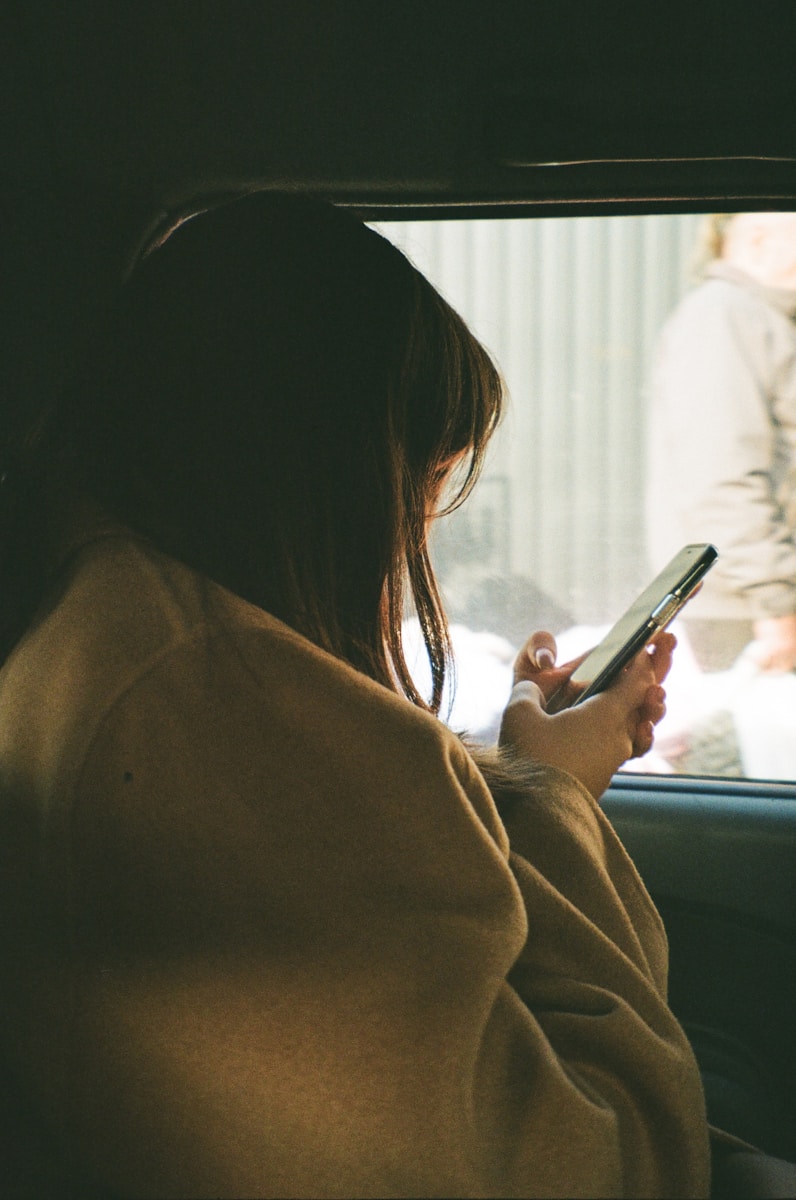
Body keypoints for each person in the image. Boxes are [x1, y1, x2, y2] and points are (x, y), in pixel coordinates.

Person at [0, 191, 708, 1197]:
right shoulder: (209, 703)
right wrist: (549, 799)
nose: (413, 539)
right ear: (328, 479)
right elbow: (603, 1166)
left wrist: (524, 768)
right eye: (420, 493)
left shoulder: (109, 628)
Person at [646, 211, 796, 676]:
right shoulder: (728, 315)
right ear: (758, 239)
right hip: (751, 610)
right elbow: (722, 479)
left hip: (756, 598)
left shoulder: (759, 318)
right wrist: (777, 604)